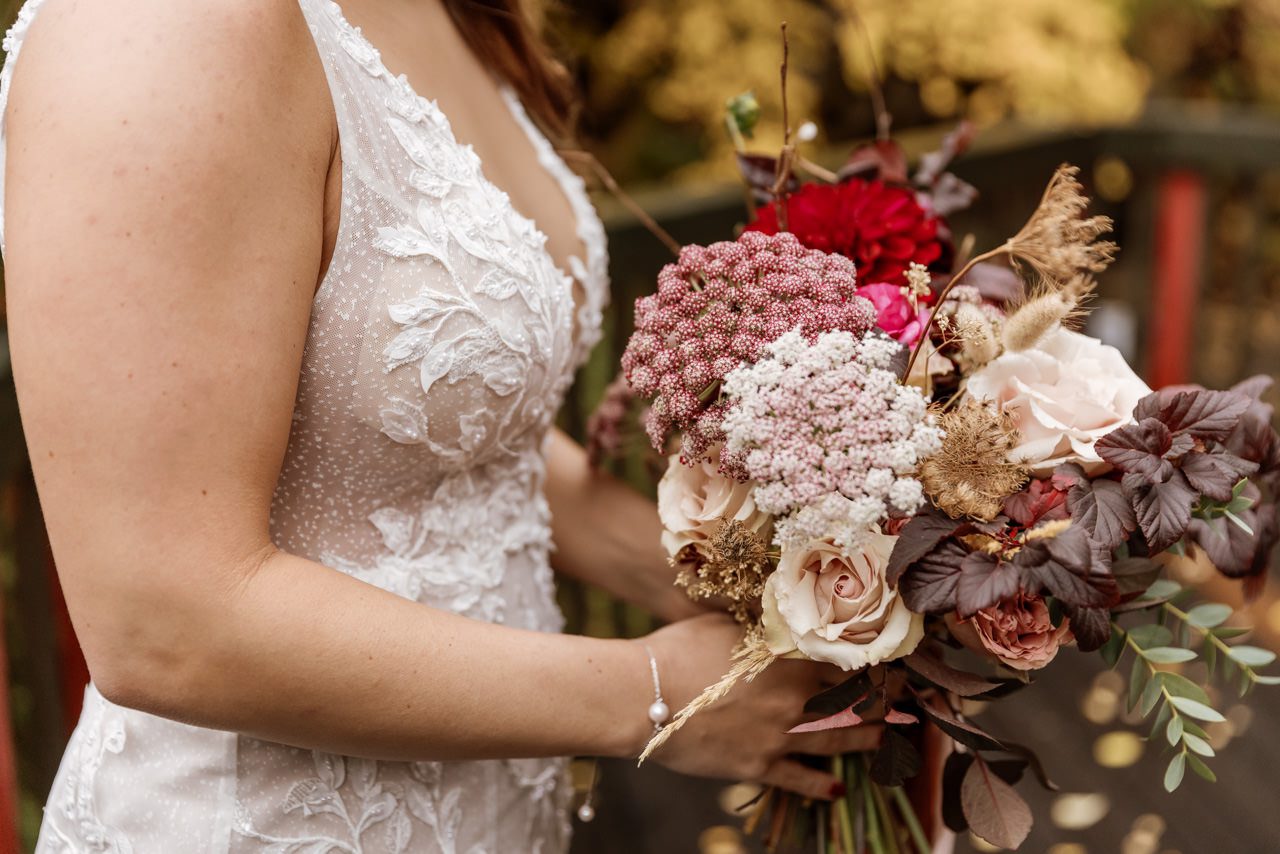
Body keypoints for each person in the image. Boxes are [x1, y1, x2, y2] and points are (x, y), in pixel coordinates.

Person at [0, 0, 882, 849]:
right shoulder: (162, 26)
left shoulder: (454, 12)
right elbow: (160, 618)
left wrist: (804, 584)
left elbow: (445, 439)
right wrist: (653, 693)